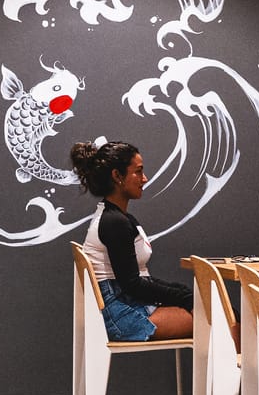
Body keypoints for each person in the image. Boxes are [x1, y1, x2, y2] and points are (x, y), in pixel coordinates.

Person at [68, 138, 192, 341]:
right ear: (117, 176)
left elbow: (137, 280)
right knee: (222, 319)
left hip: (127, 305)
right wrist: (184, 296)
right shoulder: (113, 222)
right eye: (138, 171)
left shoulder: (118, 218)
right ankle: (239, 371)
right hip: (122, 314)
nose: (145, 179)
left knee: (219, 313)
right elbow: (132, 284)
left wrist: (182, 292)